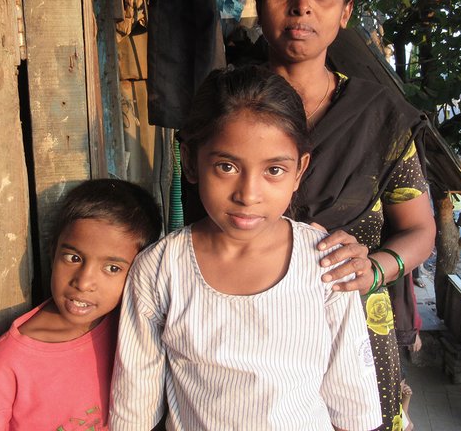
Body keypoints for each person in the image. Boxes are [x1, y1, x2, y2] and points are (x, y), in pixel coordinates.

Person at [109, 66, 382, 431]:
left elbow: (353, 401)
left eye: (273, 171)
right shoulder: (159, 270)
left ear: (299, 170)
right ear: (191, 161)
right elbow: (133, 406)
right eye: (226, 166)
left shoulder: (325, 263)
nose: (248, 194)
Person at [254, 0, 437, 430]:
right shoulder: (228, 106)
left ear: (345, 12)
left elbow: (420, 230)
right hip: (249, 327)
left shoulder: (380, 117)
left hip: (357, 333)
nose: (301, 8)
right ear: (260, 0)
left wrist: (375, 268)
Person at [0, 179, 162, 430]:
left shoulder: (131, 330)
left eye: (112, 268)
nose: (84, 282)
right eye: (74, 258)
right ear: (53, 253)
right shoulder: (9, 361)